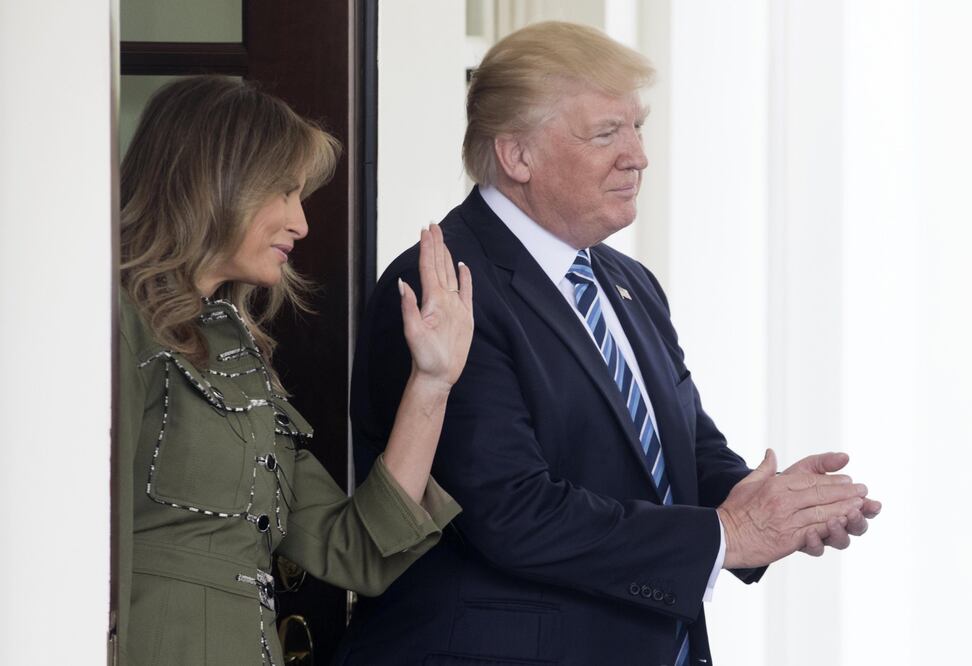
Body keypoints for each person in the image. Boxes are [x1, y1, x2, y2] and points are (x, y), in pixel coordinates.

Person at [339, 22, 879, 666]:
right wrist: (725, 535)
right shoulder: (442, 287)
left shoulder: (627, 281)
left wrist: (770, 505)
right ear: (517, 156)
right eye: (606, 133)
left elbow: (683, 449)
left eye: (638, 127)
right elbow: (511, 513)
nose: (639, 155)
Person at [115, 76, 473, 666]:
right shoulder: (119, 326)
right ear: (213, 180)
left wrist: (433, 381)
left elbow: (357, 552)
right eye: (283, 192)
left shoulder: (237, 359)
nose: (301, 223)